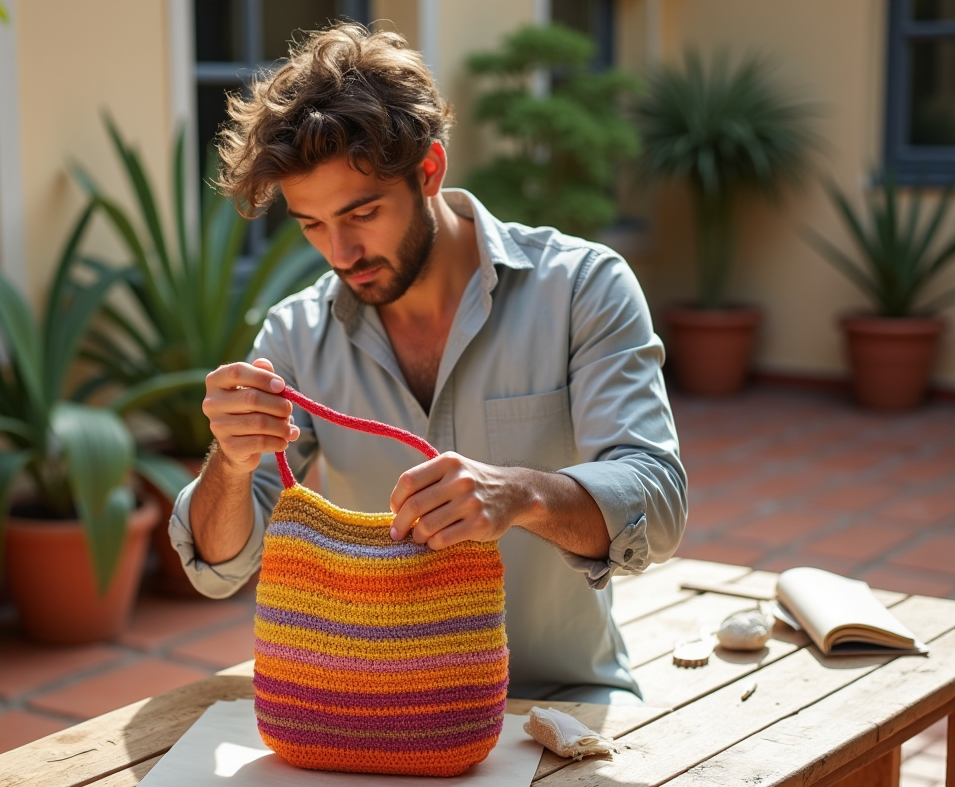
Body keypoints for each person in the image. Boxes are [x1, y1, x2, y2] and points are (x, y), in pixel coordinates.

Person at [167, 23, 687, 705]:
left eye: (362, 213)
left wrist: (521, 495)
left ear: (430, 171)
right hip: (374, 713)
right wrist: (230, 466)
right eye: (312, 225)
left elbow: (658, 502)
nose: (340, 252)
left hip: (562, 698)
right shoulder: (296, 333)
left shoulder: (582, 287)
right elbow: (220, 568)